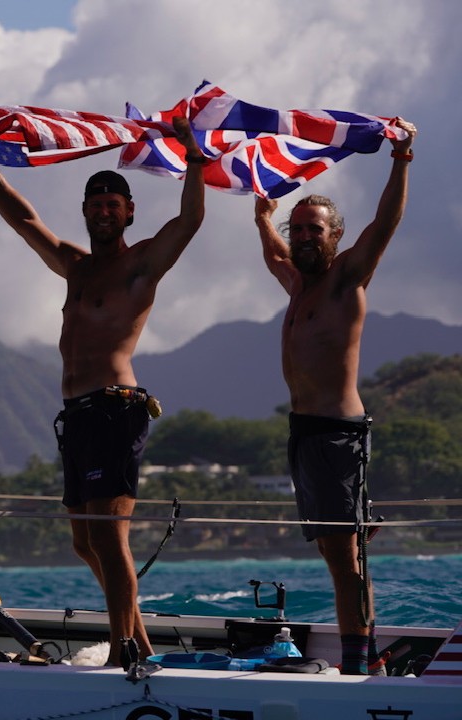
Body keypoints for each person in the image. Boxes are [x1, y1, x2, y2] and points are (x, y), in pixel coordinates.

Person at [0, 118, 206, 667]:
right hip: (75, 416)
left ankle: (125, 651)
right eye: (95, 204)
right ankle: (140, 641)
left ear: (129, 213)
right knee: (85, 542)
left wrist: (195, 159)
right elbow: (25, 220)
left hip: (113, 410)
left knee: (108, 536)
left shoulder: (140, 265)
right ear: (85, 212)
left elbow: (191, 220)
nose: (103, 212)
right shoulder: (76, 268)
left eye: (113, 205)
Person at [253, 117, 416, 675]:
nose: (301, 237)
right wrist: (261, 219)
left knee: (348, 559)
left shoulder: (348, 278)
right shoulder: (297, 283)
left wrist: (401, 161)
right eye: (296, 229)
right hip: (303, 435)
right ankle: (358, 653)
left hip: (339, 435)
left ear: (335, 237)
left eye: (312, 230)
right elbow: (274, 256)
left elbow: (386, 222)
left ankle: (359, 664)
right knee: (330, 551)